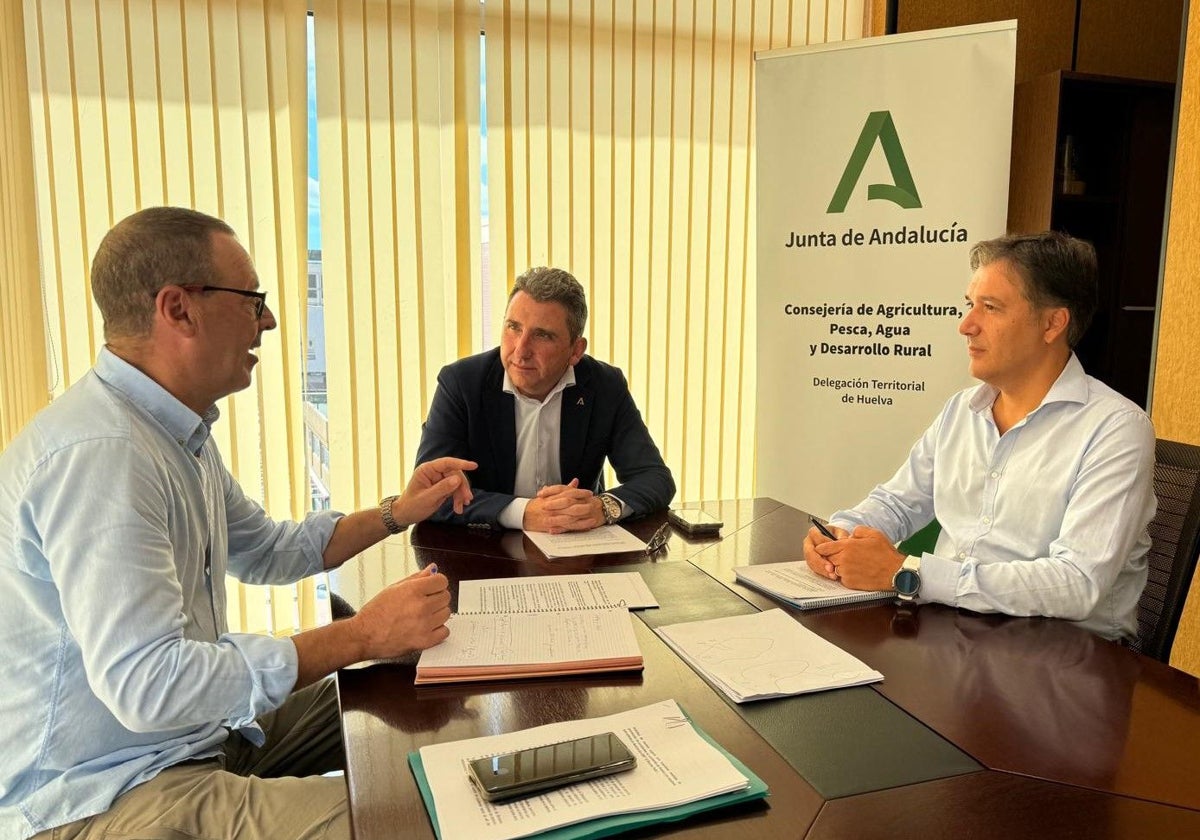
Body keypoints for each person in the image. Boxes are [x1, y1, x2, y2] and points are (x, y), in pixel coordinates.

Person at [0, 207, 476, 840]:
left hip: (189, 737)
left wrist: (399, 512)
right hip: (101, 791)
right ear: (178, 309)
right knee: (413, 819)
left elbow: (267, 551)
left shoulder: (176, 432)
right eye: (253, 299)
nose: (270, 320)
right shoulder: (102, 454)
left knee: (414, 686)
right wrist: (359, 635)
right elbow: (149, 685)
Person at [804, 231, 1155, 643]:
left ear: (1052, 323)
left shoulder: (1116, 428)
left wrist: (908, 573)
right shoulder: (962, 410)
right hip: (950, 633)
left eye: (990, 308)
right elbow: (897, 503)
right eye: (970, 305)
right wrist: (840, 535)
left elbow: (1076, 582)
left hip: (1067, 659)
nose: (966, 325)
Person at [415, 266, 674, 532]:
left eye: (542, 335)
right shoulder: (461, 383)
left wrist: (603, 507)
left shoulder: (604, 386)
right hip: (485, 550)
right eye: (513, 327)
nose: (521, 350)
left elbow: (655, 478)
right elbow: (427, 495)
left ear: (575, 350)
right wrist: (523, 512)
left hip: (577, 554)